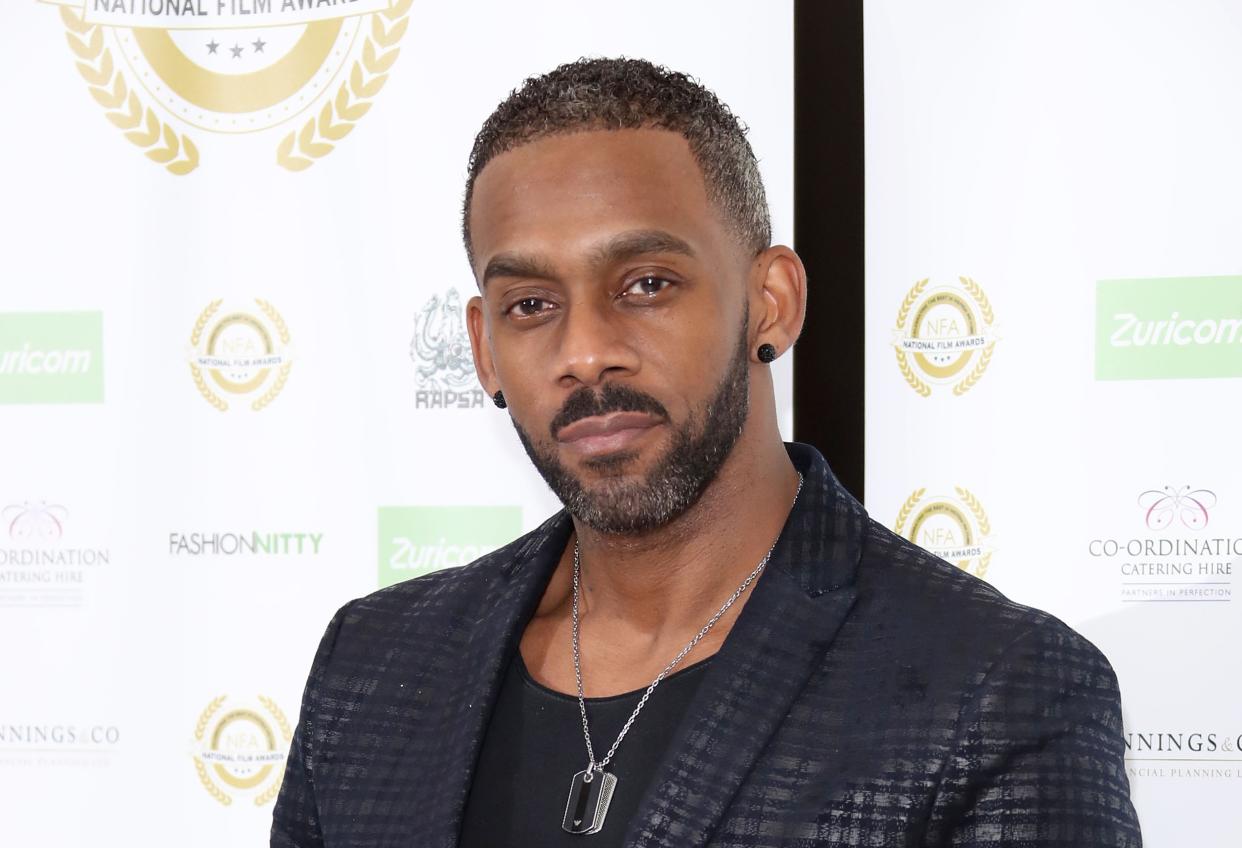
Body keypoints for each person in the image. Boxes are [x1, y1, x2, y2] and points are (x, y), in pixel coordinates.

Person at [271, 58, 1142, 847]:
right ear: (485, 348)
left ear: (770, 302)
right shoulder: (373, 667)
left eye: (646, 285)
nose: (585, 352)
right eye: (531, 304)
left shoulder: (998, 694)